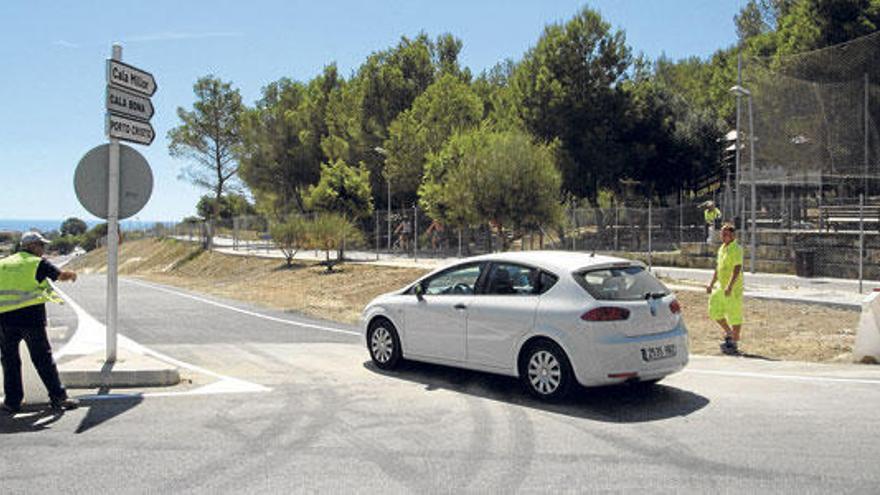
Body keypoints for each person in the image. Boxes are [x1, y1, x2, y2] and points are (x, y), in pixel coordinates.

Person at [0, 231, 79, 414]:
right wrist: (72, 274)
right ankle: (58, 397)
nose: (43, 249)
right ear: (33, 246)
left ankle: (12, 402)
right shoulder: (36, 263)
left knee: (10, 362)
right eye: (41, 245)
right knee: (43, 360)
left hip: (4, 321)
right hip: (31, 320)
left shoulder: (3, 263)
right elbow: (60, 276)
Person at [706, 223, 744, 356]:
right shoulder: (722, 248)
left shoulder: (736, 249)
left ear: (733, 235)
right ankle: (729, 332)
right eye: (722, 234)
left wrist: (730, 286)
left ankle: (734, 341)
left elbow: (737, 268)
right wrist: (711, 284)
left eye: (726, 234)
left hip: (732, 288)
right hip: (720, 287)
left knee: (734, 314)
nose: (723, 236)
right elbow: (718, 268)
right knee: (714, 310)